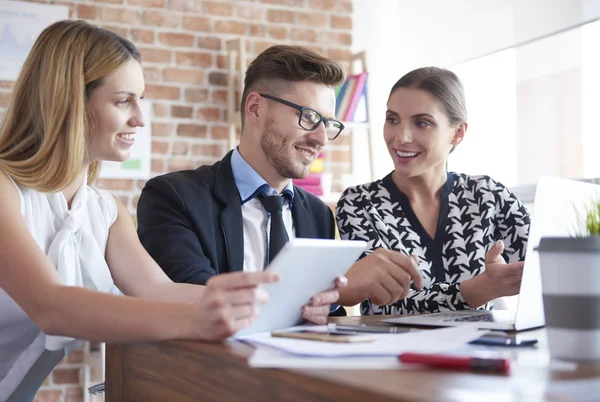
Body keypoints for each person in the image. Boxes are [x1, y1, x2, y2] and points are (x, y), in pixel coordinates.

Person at [0, 20, 280, 401]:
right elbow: (50, 305)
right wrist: (195, 319)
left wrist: (277, 303)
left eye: (140, 99)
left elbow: (158, 291)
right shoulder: (5, 190)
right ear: (67, 101)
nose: (140, 118)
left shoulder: (104, 210)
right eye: (122, 101)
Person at [136, 45, 423, 319]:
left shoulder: (318, 214)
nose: (321, 138)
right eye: (309, 117)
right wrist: (338, 287)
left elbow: (321, 319)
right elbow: (201, 303)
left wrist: (331, 300)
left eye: (328, 123)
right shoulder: (172, 197)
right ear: (256, 108)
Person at [336, 67, 531, 315]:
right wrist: (480, 289)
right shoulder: (359, 203)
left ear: (457, 133)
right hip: (393, 352)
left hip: (480, 350)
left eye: (422, 123)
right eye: (392, 119)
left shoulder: (488, 195)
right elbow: (388, 303)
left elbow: (549, 271)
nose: (401, 137)